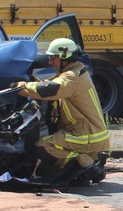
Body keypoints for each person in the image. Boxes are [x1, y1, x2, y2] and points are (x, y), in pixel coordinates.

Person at [16, 38, 110, 182]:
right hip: (88, 132)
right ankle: (86, 167)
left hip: (85, 134)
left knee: (42, 146)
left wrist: (19, 86)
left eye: (53, 58)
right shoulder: (76, 71)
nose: (50, 62)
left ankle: (87, 164)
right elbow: (51, 83)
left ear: (64, 58)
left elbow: (49, 89)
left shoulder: (71, 77)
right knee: (45, 170)